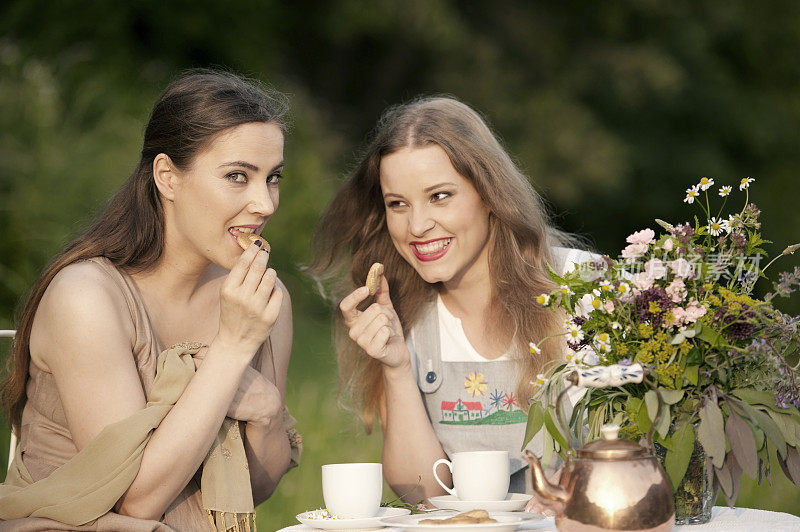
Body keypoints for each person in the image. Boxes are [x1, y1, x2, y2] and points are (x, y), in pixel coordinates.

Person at [0, 70, 301, 531]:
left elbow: (253, 489)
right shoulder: (87, 298)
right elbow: (136, 502)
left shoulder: (261, 295)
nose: (265, 203)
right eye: (238, 176)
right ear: (167, 177)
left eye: (272, 177)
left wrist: (266, 412)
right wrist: (232, 349)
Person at [308, 96, 591, 506]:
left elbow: (647, 443)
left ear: (490, 194)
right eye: (398, 204)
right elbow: (422, 494)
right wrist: (397, 368)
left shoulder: (582, 288)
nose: (417, 226)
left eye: (439, 196)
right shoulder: (401, 316)